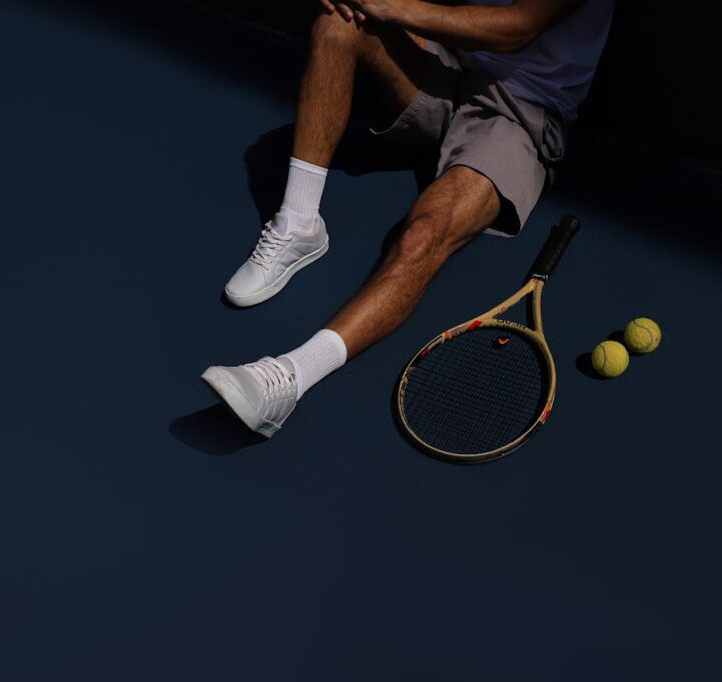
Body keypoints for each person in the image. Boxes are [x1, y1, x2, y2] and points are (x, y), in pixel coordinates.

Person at [202, 0, 613, 437]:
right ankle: (299, 224)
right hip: (448, 61)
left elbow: (515, 29)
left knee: (422, 236)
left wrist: (391, 7)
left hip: (518, 110)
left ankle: (288, 380)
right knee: (338, 23)